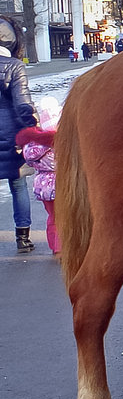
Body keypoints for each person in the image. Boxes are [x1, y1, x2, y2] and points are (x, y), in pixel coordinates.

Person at [0, 16, 38, 253]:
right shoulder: (14, 66)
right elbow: (22, 104)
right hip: (11, 135)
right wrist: (33, 126)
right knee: (18, 185)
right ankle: (22, 238)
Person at [17, 97, 61, 255]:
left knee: (52, 217)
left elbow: (29, 161)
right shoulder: (57, 144)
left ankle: (54, 246)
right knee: (64, 217)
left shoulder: (31, 145)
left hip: (42, 185)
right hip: (60, 183)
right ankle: (63, 246)